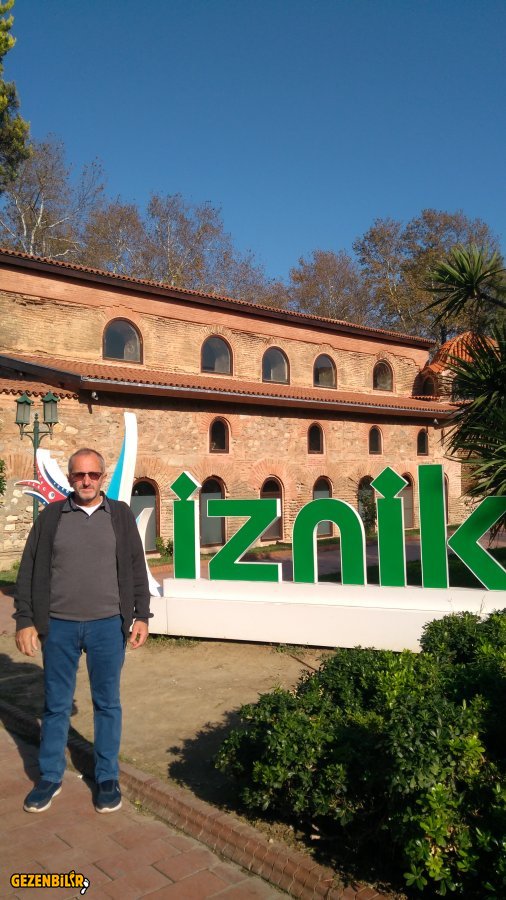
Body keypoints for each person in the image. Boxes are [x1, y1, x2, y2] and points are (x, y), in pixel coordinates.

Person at [14, 448, 151, 814]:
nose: (86, 481)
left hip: (108, 625)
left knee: (107, 703)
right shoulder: (52, 516)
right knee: (56, 705)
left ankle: (106, 777)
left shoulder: (119, 515)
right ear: (70, 478)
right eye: (79, 474)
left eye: (93, 474)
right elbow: (28, 570)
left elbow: (136, 567)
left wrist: (141, 615)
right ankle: (49, 776)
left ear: (102, 477)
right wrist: (25, 620)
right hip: (58, 626)